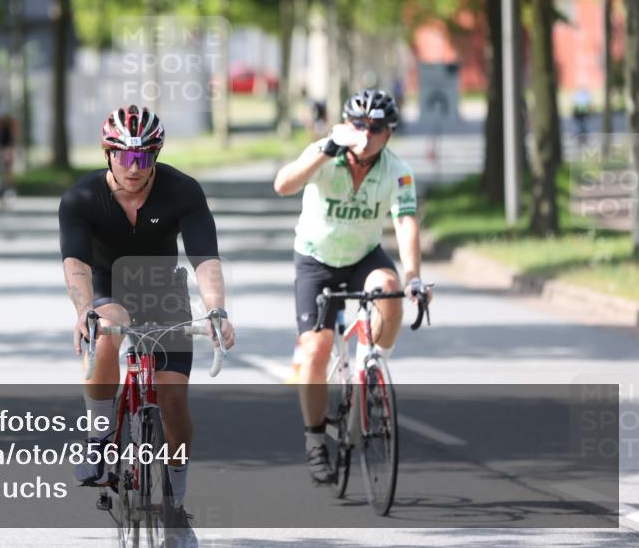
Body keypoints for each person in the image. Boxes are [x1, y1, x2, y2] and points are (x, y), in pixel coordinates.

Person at [59, 104, 236, 547]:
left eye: (144, 157)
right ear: (107, 154)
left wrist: (216, 308)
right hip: (108, 288)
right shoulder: (81, 198)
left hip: (164, 293)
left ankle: (176, 504)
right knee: (107, 332)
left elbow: (205, 259)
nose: (133, 167)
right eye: (123, 155)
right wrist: (84, 310)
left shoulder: (182, 191)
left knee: (173, 396)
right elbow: (76, 264)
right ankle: (100, 435)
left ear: (155, 155)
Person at [272, 88, 432, 485]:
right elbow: (283, 185)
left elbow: (406, 222)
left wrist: (414, 276)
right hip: (316, 260)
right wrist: (325, 149)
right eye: (358, 124)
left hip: (363, 256)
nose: (366, 133)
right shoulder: (324, 153)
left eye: (375, 127)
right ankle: (314, 441)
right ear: (346, 125)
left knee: (391, 289)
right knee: (316, 348)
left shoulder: (398, 169)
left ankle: (371, 366)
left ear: (388, 133)